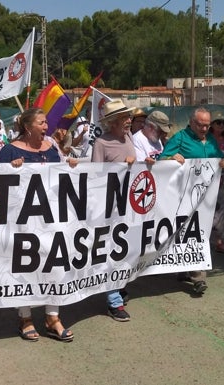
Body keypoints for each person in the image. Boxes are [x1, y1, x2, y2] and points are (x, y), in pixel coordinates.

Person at [0, 108, 76, 342]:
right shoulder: (9, 150)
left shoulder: (51, 149)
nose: (46, 128)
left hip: (52, 220)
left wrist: (70, 166)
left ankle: (53, 317)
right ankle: (25, 317)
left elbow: (61, 177)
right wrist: (11, 168)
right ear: (28, 126)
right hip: (22, 221)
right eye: (42, 123)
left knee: (55, 263)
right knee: (26, 266)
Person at [159, 107, 224, 294]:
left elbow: (220, 159)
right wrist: (171, 157)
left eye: (207, 125)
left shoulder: (211, 140)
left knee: (196, 234)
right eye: (201, 125)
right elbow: (161, 160)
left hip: (205, 199)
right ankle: (198, 277)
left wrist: (223, 163)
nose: (205, 129)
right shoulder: (180, 138)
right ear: (191, 122)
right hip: (183, 196)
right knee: (191, 234)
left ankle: (184, 269)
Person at [92, 99, 136, 321]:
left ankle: (118, 286)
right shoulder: (101, 143)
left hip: (130, 208)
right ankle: (114, 302)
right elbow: (95, 176)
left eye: (128, 116)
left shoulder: (128, 138)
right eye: (124, 117)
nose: (129, 120)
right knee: (111, 253)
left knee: (124, 252)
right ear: (113, 121)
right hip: (109, 209)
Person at [208, 111, 224, 254]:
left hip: (223, 179)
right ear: (212, 124)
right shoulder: (208, 138)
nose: (222, 125)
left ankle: (219, 241)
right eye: (218, 122)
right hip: (210, 179)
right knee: (208, 209)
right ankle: (204, 239)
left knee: (223, 209)